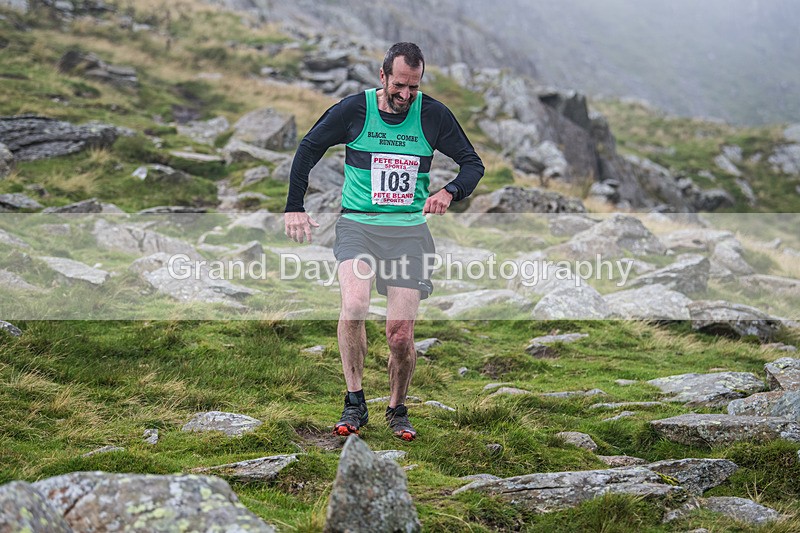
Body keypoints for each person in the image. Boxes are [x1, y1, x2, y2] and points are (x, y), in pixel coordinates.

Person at [284, 42, 484, 441]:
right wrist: (294, 205)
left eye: (414, 86)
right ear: (382, 77)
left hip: (408, 233)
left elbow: (473, 164)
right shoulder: (354, 110)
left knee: (400, 334)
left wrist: (449, 192)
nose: (406, 95)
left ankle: (397, 407)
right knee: (355, 305)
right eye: (399, 86)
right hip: (358, 226)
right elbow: (309, 147)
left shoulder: (433, 115)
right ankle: (354, 401)